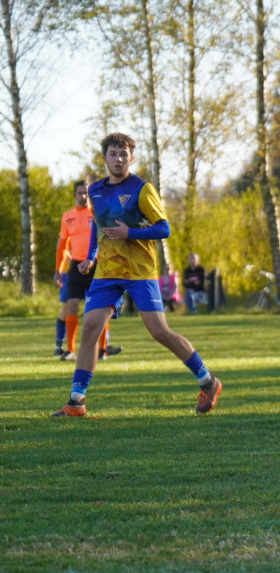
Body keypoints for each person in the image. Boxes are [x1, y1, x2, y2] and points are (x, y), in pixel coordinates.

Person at [51, 133, 222, 417]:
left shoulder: (142, 189)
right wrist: (90, 258)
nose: (118, 159)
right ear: (104, 157)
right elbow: (97, 227)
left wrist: (131, 233)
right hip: (107, 272)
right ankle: (76, 402)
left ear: (131, 158)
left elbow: (164, 228)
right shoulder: (95, 191)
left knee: (160, 332)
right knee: (91, 327)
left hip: (140, 271)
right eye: (113, 153)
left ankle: (208, 381)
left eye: (123, 154)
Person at [53, 180, 123, 362]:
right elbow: (62, 246)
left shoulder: (97, 214)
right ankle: (69, 350)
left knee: (100, 308)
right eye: (79, 193)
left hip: (97, 266)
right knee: (72, 305)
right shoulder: (67, 216)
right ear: (74, 195)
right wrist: (58, 270)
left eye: (86, 193)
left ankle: (102, 349)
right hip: (76, 267)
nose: (83, 196)